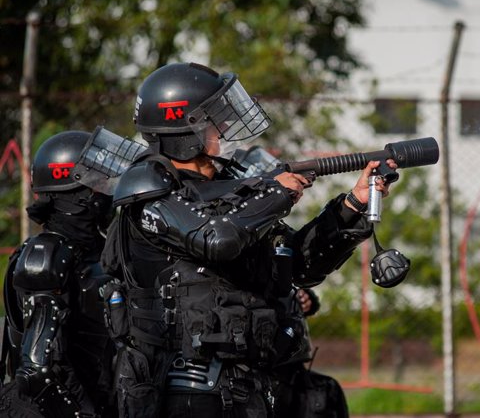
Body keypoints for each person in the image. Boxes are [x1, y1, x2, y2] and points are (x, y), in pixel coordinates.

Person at [101, 62, 397, 417]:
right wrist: (276, 194)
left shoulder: (234, 191)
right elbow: (216, 239)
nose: (224, 127)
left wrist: (353, 205)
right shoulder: (149, 190)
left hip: (249, 386)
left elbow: (299, 264)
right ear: (185, 128)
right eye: (213, 119)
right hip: (183, 391)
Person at [0, 130, 118, 417]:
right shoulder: (47, 258)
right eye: (99, 182)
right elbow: (37, 371)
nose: (107, 189)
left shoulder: (94, 252)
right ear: (77, 191)